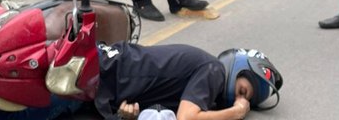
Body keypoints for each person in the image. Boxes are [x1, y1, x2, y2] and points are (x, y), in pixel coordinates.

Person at [94, 42, 282, 120]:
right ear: (236, 68)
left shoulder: (207, 88)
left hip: (105, 85)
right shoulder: (214, 70)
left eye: (245, 101)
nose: (238, 100)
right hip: (101, 70)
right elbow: (187, 118)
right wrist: (235, 112)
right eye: (242, 92)